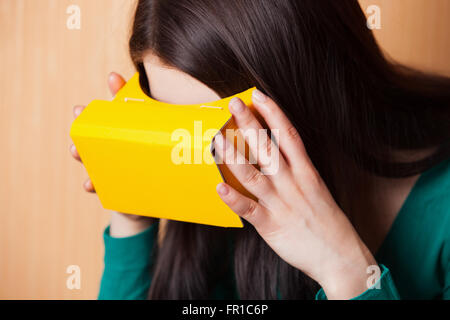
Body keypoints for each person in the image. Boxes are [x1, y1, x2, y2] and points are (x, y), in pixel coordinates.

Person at [70, 0, 450, 300]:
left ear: (301, 94)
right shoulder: (219, 198)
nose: (187, 155)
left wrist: (348, 274)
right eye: (171, 124)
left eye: (212, 131)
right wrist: (132, 216)